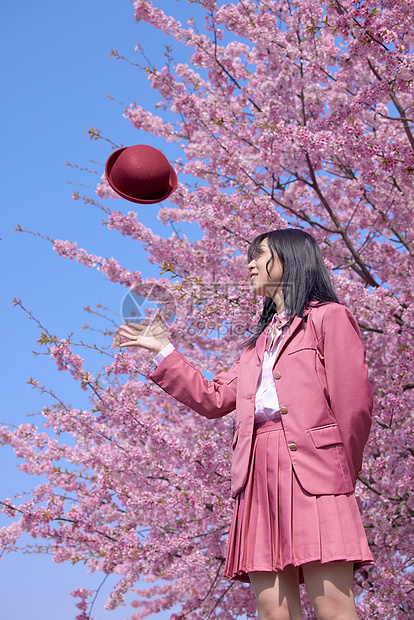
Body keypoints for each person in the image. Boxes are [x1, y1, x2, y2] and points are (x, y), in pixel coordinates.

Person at [119, 228, 374, 620]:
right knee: (272, 611)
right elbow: (212, 397)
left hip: (317, 471)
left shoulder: (330, 318)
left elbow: (353, 406)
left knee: (334, 608)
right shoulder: (256, 347)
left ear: (289, 260)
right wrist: (163, 348)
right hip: (256, 474)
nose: (250, 264)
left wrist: (339, 473)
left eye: (260, 255)